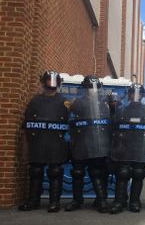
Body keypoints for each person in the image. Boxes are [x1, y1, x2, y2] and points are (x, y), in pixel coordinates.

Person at [19, 71, 70, 212]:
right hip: (38, 142)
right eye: (48, 81)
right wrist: (25, 147)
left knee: (55, 171)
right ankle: (33, 201)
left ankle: (54, 202)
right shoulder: (35, 101)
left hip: (56, 143)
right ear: (43, 82)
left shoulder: (64, 102)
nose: (50, 85)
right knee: (35, 171)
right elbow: (26, 125)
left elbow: (71, 123)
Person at [66, 75, 112, 213]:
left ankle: (101, 200)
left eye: (94, 87)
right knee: (78, 172)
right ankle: (77, 200)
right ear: (85, 89)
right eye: (89, 88)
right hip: (80, 142)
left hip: (98, 143)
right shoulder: (77, 103)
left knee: (98, 171)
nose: (92, 90)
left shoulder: (106, 103)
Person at [109, 83, 145, 214]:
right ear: (129, 95)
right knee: (122, 174)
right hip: (123, 148)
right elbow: (113, 129)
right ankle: (119, 201)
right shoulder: (121, 110)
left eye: (138, 93)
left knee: (138, 174)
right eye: (133, 93)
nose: (135, 96)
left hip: (140, 148)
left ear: (142, 95)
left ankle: (134, 201)